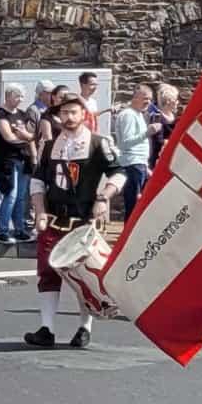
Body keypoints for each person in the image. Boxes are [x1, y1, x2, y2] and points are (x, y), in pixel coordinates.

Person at [24, 93, 125, 349]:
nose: (68, 117)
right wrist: (39, 211)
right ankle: (47, 329)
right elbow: (37, 181)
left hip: (83, 221)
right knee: (47, 274)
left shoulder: (98, 143)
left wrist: (104, 197)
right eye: (64, 113)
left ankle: (84, 328)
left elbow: (119, 173)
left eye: (73, 112)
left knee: (85, 276)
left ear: (83, 115)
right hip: (55, 220)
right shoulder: (49, 145)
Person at [0, 84, 37, 243]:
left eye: (22, 96)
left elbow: (31, 135)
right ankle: (3, 231)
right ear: (8, 95)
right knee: (11, 194)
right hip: (6, 159)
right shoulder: (0, 115)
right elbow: (9, 137)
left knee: (21, 197)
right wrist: (26, 136)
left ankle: (19, 229)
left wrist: (34, 155)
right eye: (17, 96)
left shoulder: (23, 114)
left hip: (23, 158)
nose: (20, 100)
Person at [113, 85, 154, 222]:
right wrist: (147, 133)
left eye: (150, 99)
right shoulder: (128, 115)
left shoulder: (138, 114)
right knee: (133, 204)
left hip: (138, 163)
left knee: (138, 204)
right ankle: (127, 237)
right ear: (135, 97)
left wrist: (145, 166)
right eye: (145, 98)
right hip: (132, 164)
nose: (148, 102)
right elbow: (125, 143)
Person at [148, 83, 180, 169]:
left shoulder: (173, 116)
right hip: (159, 158)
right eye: (176, 99)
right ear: (168, 101)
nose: (178, 102)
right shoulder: (156, 117)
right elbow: (157, 141)